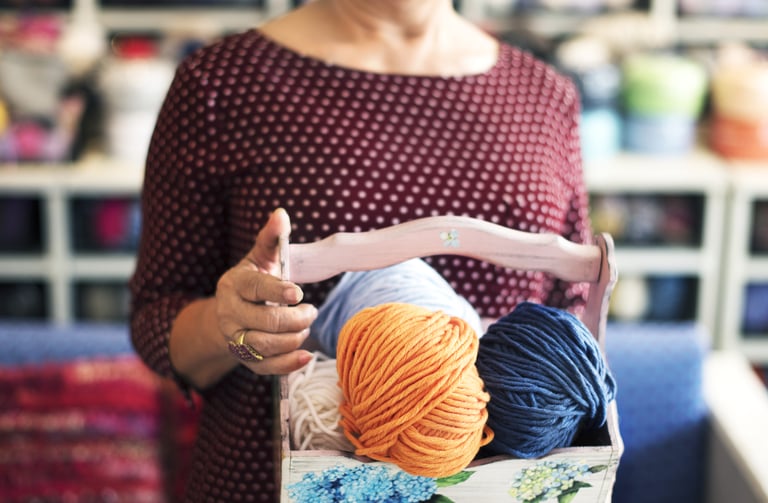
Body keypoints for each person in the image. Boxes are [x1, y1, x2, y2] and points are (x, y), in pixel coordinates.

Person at [129, 0, 592, 501]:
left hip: (497, 487)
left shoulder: (546, 96)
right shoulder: (221, 84)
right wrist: (232, 330)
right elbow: (156, 320)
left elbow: (574, 308)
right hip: (267, 481)